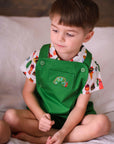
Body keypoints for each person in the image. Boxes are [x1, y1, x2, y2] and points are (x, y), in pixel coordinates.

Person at [3, 0, 111, 143]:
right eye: (55, 30)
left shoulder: (89, 67)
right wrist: (41, 116)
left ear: (87, 36)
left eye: (70, 34)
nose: (59, 38)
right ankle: (54, 136)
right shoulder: (39, 57)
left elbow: (80, 107)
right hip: (42, 116)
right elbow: (27, 92)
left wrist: (63, 132)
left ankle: (45, 139)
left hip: (74, 119)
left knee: (103, 124)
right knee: (10, 117)